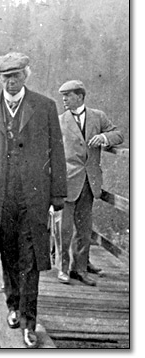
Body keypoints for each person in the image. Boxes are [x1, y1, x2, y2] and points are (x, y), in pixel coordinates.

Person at [0, 52, 67, 348]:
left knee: (30, 260)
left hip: (34, 198)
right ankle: (13, 305)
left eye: (16, 75)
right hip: (1, 199)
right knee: (8, 256)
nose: (11, 81)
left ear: (26, 75)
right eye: (6, 76)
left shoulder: (44, 107)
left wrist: (57, 194)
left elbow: (57, 152)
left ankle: (29, 321)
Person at [57, 80, 124, 286]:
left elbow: (118, 135)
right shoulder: (59, 120)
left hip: (90, 181)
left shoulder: (98, 116)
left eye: (68, 95)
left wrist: (104, 137)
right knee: (64, 229)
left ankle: (80, 268)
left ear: (80, 96)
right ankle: (63, 268)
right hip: (67, 182)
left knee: (84, 228)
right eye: (63, 96)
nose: (65, 100)